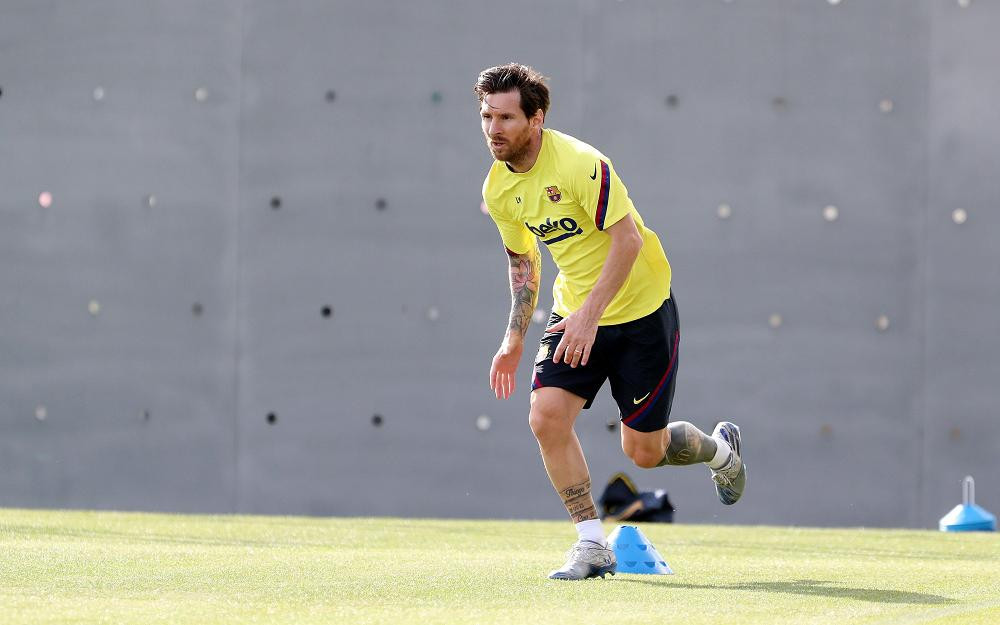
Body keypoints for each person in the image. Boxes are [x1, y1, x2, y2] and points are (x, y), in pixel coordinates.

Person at [476, 63, 747, 581]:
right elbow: (523, 261)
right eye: (487, 116)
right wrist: (514, 338)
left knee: (645, 452)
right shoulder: (497, 190)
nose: (494, 128)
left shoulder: (581, 163)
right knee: (545, 417)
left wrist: (589, 319)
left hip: (641, 312)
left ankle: (721, 451)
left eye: (506, 117)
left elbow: (629, 241)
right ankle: (591, 543)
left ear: (536, 119)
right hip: (575, 310)